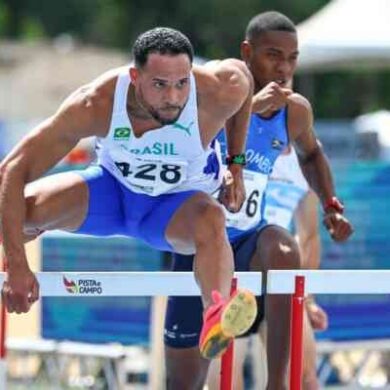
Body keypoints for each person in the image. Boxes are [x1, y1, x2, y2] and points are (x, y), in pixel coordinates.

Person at [0, 27, 258, 360]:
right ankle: (25, 237)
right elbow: (12, 170)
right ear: (135, 77)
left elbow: (246, 81)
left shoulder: (217, 91)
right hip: (112, 194)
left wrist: (236, 164)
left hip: (175, 207)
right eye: (160, 85)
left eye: (182, 83)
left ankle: (215, 316)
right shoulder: (97, 103)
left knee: (212, 217)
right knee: (23, 208)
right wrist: (18, 265)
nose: (173, 97)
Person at [164, 12, 353, 390]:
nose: (284, 68)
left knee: (284, 247)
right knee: (186, 382)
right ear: (247, 53)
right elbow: (182, 144)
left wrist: (330, 203)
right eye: (273, 55)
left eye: (292, 58)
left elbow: (312, 155)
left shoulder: (294, 110)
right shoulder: (215, 89)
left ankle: (277, 383)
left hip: (249, 241)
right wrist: (247, 108)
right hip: (197, 244)